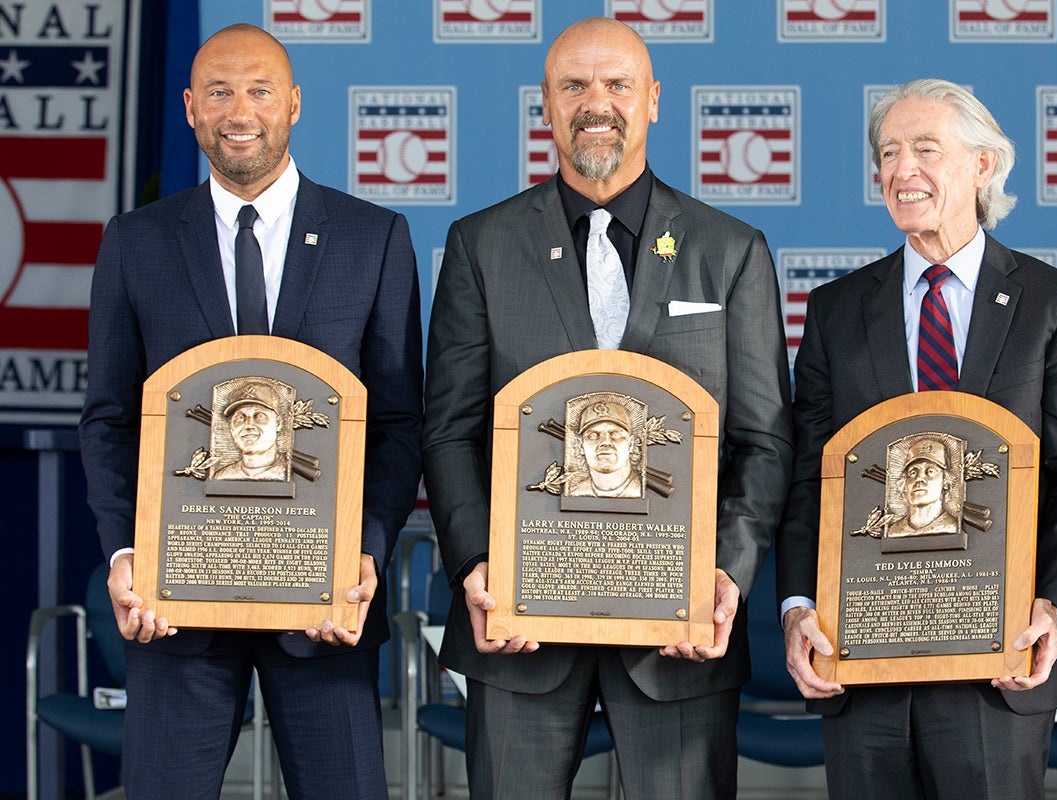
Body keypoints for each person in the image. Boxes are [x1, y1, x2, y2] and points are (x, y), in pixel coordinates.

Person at [422, 16, 792, 800]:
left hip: (678, 632)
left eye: (618, 84)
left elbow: (763, 440)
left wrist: (727, 572)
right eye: (574, 86)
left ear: (653, 99)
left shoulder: (730, 252)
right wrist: (476, 565)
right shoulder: (480, 246)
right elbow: (451, 429)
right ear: (546, 107)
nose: (598, 103)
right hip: (518, 628)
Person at [77, 23, 423, 799]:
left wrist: (364, 550)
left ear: (294, 103)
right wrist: (124, 551)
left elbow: (400, 424)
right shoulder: (136, 243)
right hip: (177, 609)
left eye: (260, 89)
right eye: (220, 92)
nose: (241, 110)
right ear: (191, 107)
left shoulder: (373, 239)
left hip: (323, 608)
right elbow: (108, 420)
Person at [776, 78, 1057, 799]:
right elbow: (811, 478)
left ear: (983, 166)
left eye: (926, 149)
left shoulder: (1055, 305)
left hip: (996, 662)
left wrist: (1049, 606)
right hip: (863, 657)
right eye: (889, 153)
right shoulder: (836, 309)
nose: (902, 170)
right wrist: (798, 607)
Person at [212, 380, 289, 481]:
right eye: (240, 418)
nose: (248, 425)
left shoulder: (287, 474)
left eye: (259, 416)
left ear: (278, 423)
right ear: (231, 427)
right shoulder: (221, 476)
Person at [570, 400, 642, 498]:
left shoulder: (640, 491)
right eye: (593, 436)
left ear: (631, 444)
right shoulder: (575, 493)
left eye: (615, 434)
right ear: (581, 446)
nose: (605, 442)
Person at [888, 437, 958, 537]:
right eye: (913, 472)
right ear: (904, 485)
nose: (919, 478)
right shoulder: (894, 530)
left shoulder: (951, 526)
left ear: (945, 482)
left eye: (930, 471)